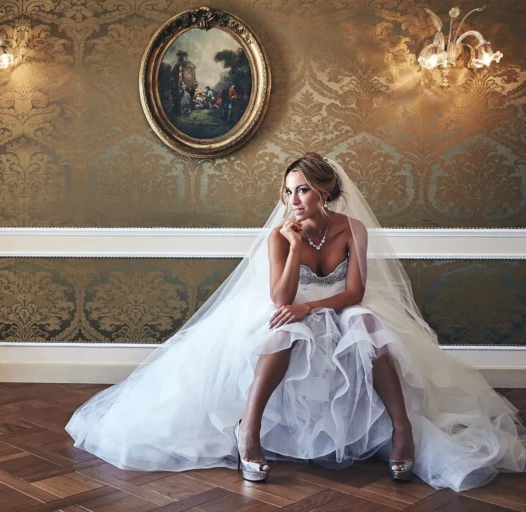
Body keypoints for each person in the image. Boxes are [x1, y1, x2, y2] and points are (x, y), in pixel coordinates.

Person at [66, 153, 526, 492]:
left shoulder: (353, 230)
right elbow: (282, 297)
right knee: (283, 327)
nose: (293, 199)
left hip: (340, 307)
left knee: (368, 324)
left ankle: (402, 429)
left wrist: (313, 307)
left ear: (324, 190)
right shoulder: (279, 233)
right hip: (293, 307)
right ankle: (249, 428)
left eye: (302, 189)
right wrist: (288, 243)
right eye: (287, 191)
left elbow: (355, 293)